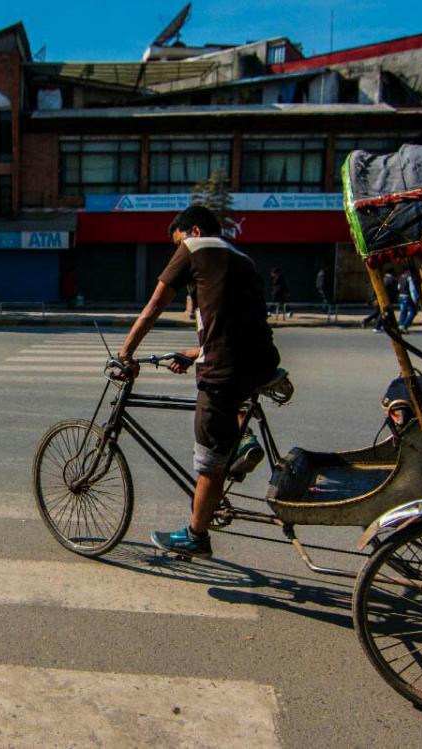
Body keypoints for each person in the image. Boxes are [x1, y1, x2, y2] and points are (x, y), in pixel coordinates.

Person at [117, 205, 281, 559]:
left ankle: (197, 535)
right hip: (261, 362)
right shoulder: (242, 257)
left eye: (178, 241)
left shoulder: (194, 247)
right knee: (226, 422)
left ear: (192, 230)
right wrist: (193, 352)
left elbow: (155, 305)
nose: (178, 249)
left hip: (225, 369)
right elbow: (233, 323)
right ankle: (240, 441)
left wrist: (125, 353)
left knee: (209, 460)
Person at [396, 268, 420, 333]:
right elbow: (412, 290)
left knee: (403, 311)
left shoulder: (400, 277)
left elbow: (398, 287)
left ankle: (400, 325)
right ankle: (404, 325)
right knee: (413, 312)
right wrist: (415, 299)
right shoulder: (409, 278)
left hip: (400, 296)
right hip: (407, 297)